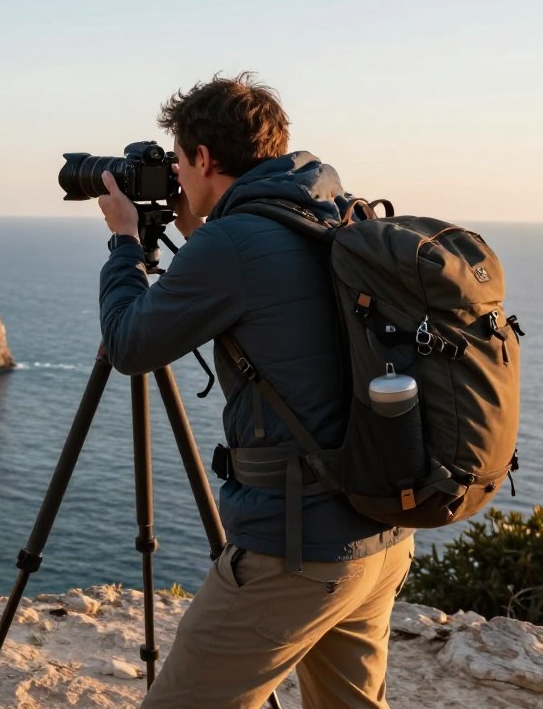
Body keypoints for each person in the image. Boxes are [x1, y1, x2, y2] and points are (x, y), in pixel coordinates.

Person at [97, 72, 415, 709]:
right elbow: (276, 303)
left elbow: (131, 344)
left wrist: (125, 243)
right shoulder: (330, 212)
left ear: (205, 158)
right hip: (378, 540)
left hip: (297, 554)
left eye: (180, 162)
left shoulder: (233, 242)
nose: (178, 177)